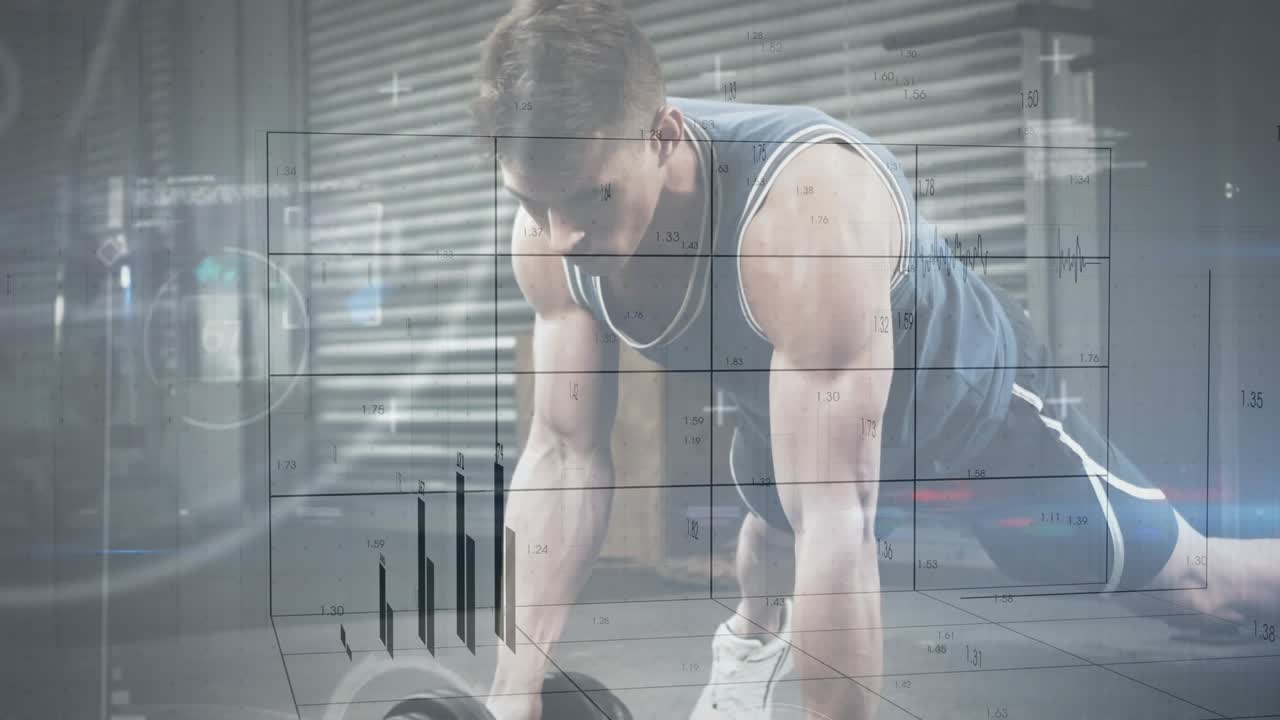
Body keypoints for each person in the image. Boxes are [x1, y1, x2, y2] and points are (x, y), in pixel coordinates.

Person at [468, 1, 1278, 718]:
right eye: (531, 200)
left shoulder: (804, 213)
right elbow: (564, 456)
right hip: (792, 395)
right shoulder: (547, 236)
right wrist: (513, 689)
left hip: (970, 414)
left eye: (587, 196)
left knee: (1197, 587)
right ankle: (746, 656)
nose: (559, 232)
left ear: (664, 134)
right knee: (770, 534)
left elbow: (839, 518)